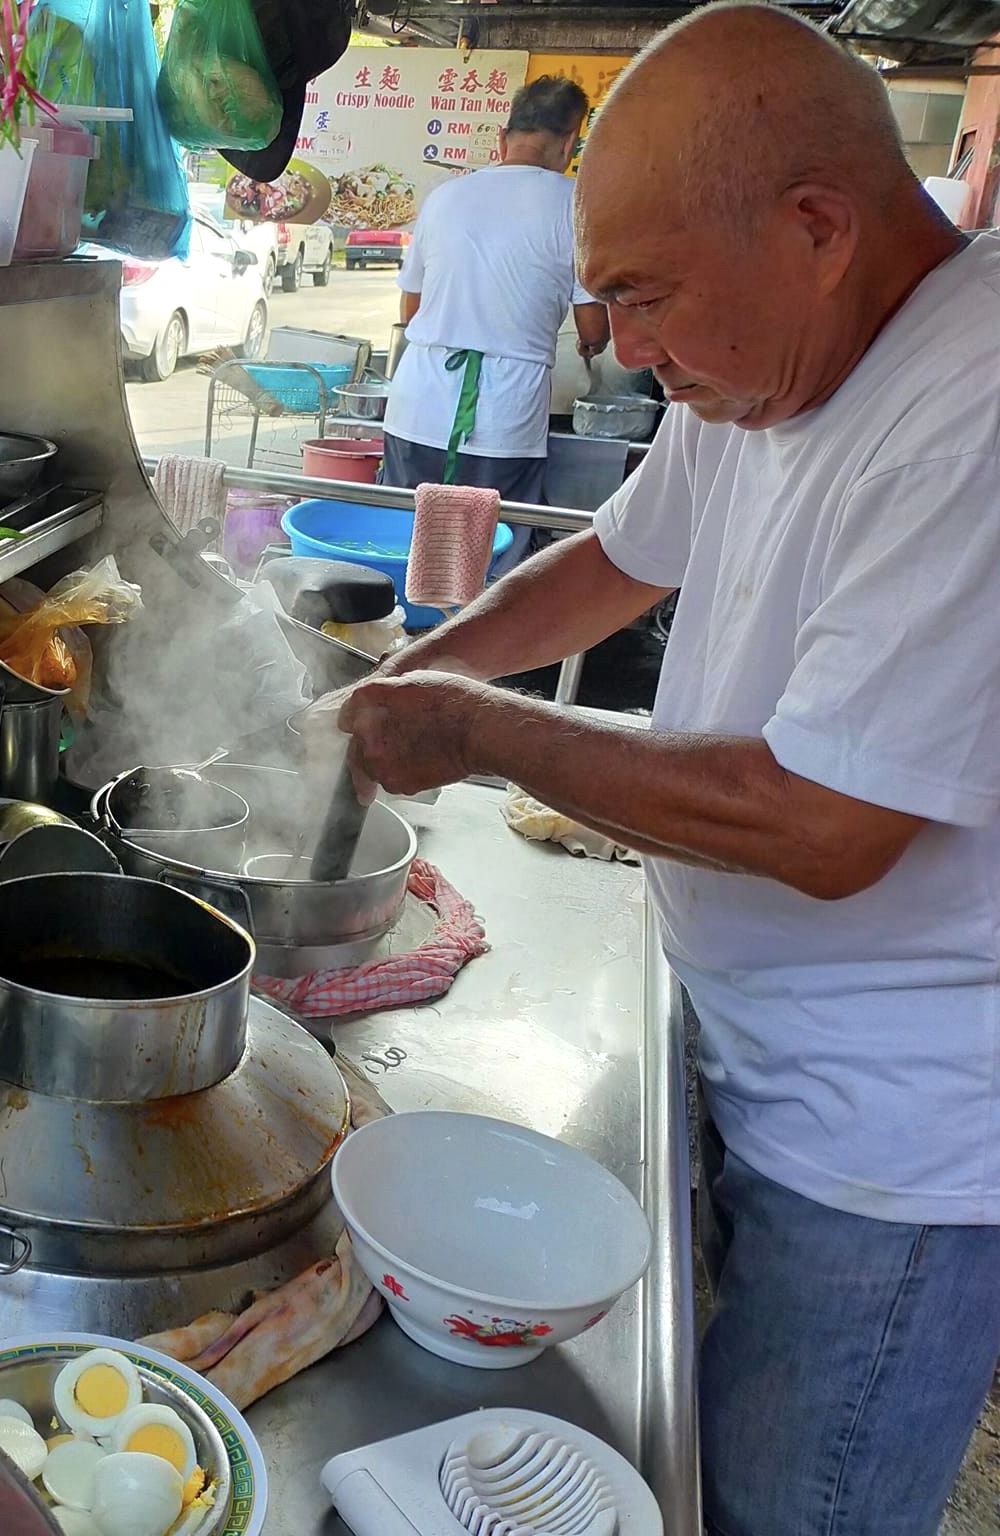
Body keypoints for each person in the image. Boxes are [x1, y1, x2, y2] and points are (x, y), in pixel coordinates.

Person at [331, 7, 1000, 1534]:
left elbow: (832, 827)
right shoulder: (764, 355)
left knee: (787, 1510)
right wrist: (423, 670)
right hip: (760, 1045)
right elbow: (612, 565)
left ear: (817, 227)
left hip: (891, 1151)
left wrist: (480, 733)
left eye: (644, 298)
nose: (623, 348)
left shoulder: (972, 408)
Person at [379, 76, 611, 507]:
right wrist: (591, 343)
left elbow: (412, 310)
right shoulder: (576, 207)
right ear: (569, 145)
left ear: (502, 138)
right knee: (492, 550)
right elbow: (593, 326)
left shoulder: (444, 197)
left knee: (401, 539)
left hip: (418, 406)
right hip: (506, 416)